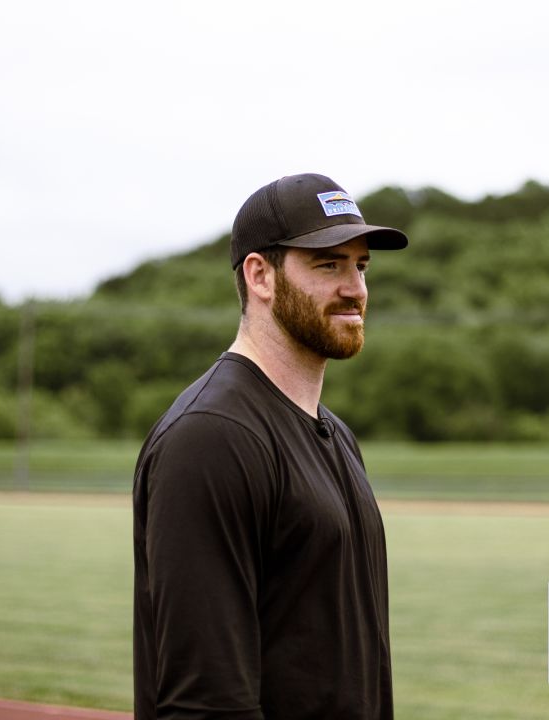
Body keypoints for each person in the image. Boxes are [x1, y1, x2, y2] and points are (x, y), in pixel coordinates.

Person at [131, 173, 408, 720]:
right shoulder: (212, 436)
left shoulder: (336, 434)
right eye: (328, 264)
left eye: (361, 265)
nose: (355, 288)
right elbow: (205, 704)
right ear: (260, 275)